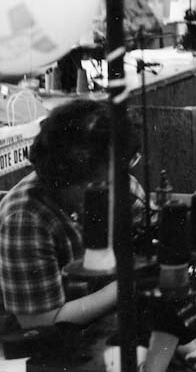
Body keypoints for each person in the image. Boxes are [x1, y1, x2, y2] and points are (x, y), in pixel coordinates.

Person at [0, 99, 141, 331]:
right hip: (44, 347)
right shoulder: (26, 218)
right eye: (106, 180)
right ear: (69, 177)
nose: (122, 184)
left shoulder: (117, 185)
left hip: (105, 325)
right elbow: (39, 320)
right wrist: (128, 285)